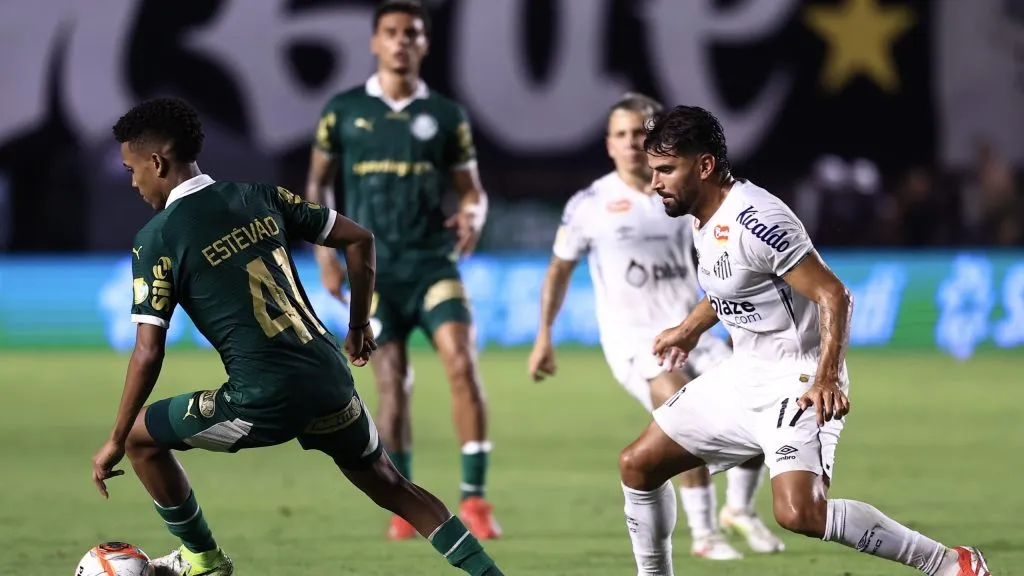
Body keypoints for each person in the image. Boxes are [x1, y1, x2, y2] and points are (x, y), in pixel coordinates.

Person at [90, 97, 504, 576]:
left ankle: (204, 560)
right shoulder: (259, 195)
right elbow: (359, 239)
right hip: (328, 376)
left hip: (262, 398)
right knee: (392, 485)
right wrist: (358, 326)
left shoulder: (157, 238)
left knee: (141, 438)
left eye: (132, 170)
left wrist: (114, 439)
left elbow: (148, 351)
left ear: (157, 162)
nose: (133, 182)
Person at [617, 105, 994, 576]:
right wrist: (690, 329)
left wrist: (826, 378)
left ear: (705, 165)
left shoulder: (757, 220)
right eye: (653, 169)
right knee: (638, 465)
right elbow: (733, 285)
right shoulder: (702, 215)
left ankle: (951, 563)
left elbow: (834, 294)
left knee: (800, 513)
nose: (655, 181)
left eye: (666, 169)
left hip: (796, 381)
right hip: (742, 376)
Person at [527, 93, 784, 561]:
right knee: (682, 409)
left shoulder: (681, 192)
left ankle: (740, 510)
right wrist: (545, 334)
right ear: (608, 144)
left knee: (760, 404)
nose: (632, 143)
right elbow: (559, 270)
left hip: (692, 328)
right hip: (635, 340)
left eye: (641, 134)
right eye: (622, 134)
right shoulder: (589, 205)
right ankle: (705, 533)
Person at [305, 0, 498, 541]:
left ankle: (475, 499)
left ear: (424, 44)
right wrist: (325, 253)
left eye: (411, 33)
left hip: (433, 264)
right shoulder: (343, 111)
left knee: (462, 363)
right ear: (374, 42)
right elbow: (317, 184)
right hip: (374, 273)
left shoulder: (446, 115)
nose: (401, 41)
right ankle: (406, 503)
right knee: (392, 381)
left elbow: (472, 191)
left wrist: (474, 216)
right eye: (391, 32)